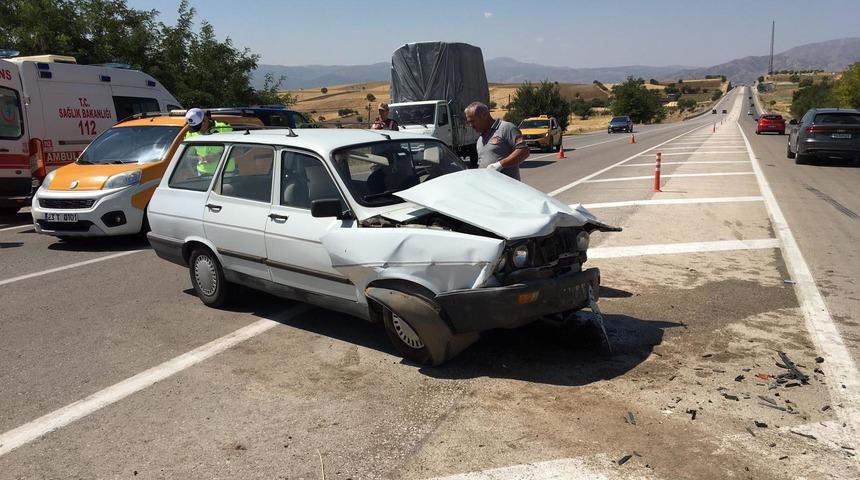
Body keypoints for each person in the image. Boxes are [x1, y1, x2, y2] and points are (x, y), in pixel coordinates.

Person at [464, 101, 529, 180]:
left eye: (473, 121)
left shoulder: (506, 128)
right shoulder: (480, 140)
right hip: (489, 188)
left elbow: (524, 151)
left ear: (484, 115)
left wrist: (500, 164)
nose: (471, 126)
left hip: (508, 187)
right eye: (469, 122)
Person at [184, 108, 233, 175]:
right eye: (195, 128)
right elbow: (186, 155)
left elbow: (239, 150)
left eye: (198, 127)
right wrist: (199, 158)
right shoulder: (191, 133)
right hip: (203, 173)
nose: (198, 131)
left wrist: (218, 157)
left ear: (205, 120)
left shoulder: (224, 128)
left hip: (225, 172)